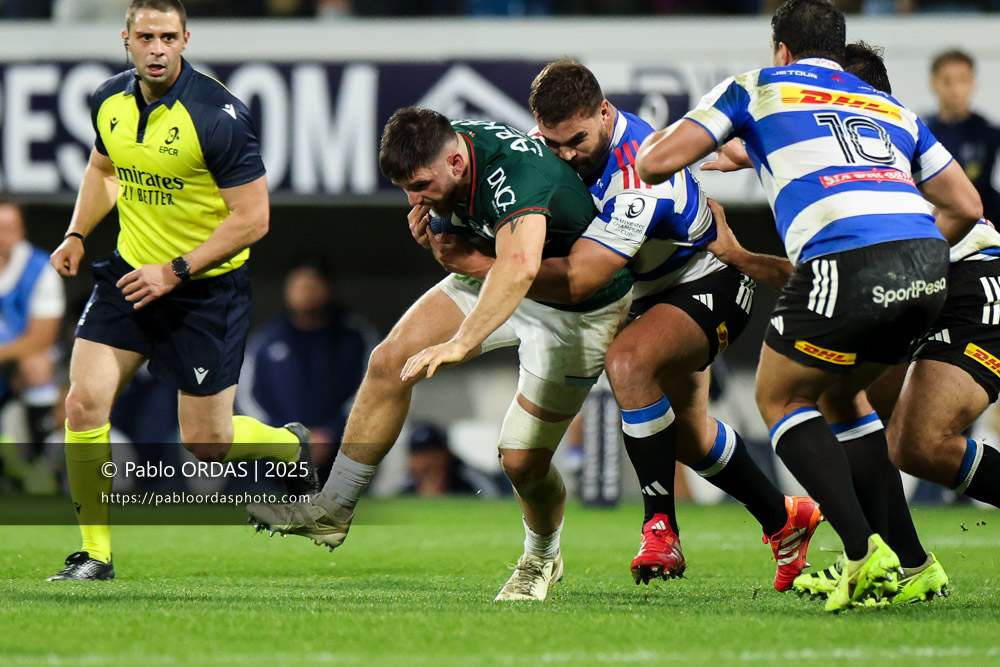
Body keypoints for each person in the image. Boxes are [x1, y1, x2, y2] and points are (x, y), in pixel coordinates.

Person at [635, 0, 981, 611]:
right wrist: (911, 251)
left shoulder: (755, 88)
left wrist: (718, 130)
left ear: (781, 51)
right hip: (929, 266)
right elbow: (967, 206)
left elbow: (654, 161)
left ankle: (859, 553)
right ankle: (914, 562)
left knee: (779, 394)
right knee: (841, 395)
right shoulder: (887, 106)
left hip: (846, 261)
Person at [427, 59, 821, 590]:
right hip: (645, 292)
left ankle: (660, 528)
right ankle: (785, 519)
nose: (565, 154)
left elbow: (580, 281)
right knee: (690, 438)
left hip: (708, 278)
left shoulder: (639, 170)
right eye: (552, 142)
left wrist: (476, 263)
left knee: (629, 362)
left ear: (605, 112)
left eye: (577, 140)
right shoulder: (539, 150)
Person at [249, 106, 634, 602]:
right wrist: (441, 229)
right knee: (388, 363)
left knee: (520, 461)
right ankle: (333, 508)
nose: (414, 199)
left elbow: (517, 268)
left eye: (421, 185)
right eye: (406, 188)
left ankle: (542, 556)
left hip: (576, 307)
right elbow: (476, 246)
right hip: (498, 271)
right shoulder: (450, 153)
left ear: (455, 163)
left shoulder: (517, 175)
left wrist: (462, 340)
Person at [45, 0, 317, 582]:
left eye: (169, 36)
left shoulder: (217, 114)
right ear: (127, 39)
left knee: (207, 442)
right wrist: (76, 233)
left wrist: (176, 270)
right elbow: (103, 170)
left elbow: (254, 218)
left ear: (186, 39)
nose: (157, 48)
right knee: (81, 403)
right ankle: (95, 554)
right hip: (128, 276)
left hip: (204, 290)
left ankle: (289, 448)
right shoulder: (108, 101)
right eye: (146, 37)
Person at [237, 256, 378, 476]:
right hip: (276, 455)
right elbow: (247, 398)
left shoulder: (355, 337)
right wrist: (285, 438)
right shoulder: (266, 339)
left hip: (341, 450)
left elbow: (372, 390)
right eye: (298, 285)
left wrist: (332, 433)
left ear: (328, 288)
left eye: (313, 284)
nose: (306, 291)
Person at [0, 201, 65, 492]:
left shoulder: (39, 268)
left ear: (21, 231)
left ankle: (40, 464)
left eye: (8, 229)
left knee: (37, 364)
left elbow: (42, 338)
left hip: (17, 363)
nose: (2, 237)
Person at [926, 50, 1000, 224]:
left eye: (963, 81)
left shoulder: (990, 134)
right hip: (936, 228)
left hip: (986, 225)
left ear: (973, 83)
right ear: (933, 83)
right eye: (947, 81)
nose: (956, 89)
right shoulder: (921, 134)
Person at [401, 422, 509, 497]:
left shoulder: (468, 477)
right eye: (418, 454)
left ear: (445, 453)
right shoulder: (407, 483)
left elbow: (494, 498)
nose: (424, 461)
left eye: (431, 453)